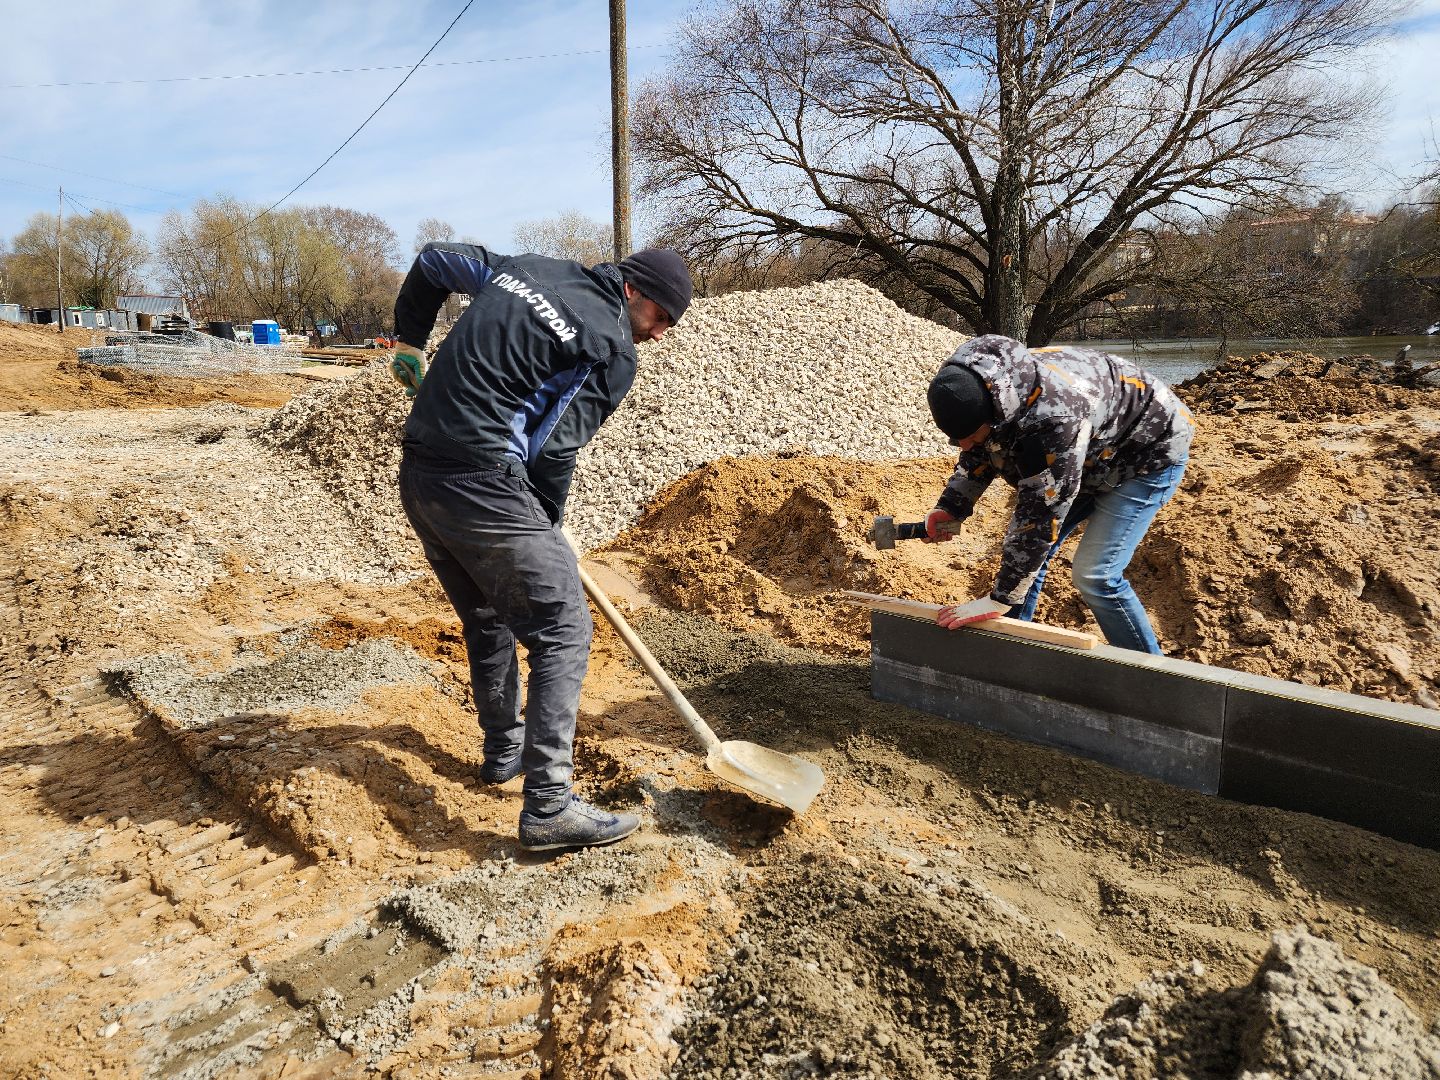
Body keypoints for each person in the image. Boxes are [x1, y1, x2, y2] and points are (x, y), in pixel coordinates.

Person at [389, 243, 692, 850]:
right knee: (563, 625)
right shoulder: (610, 348)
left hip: (421, 475)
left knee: (488, 616)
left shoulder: (525, 268)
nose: (659, 335)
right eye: (661, 318)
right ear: (634, 290)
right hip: (482, 480)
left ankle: (505, 751)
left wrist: (408, 341)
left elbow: (430, 263)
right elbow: (552, 448)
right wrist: (545, 523)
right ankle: (549, 805)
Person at [923, 335, 1194, 654]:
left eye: (969, 436)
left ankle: (1151, 675)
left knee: (1095, 575)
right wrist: (953, 506)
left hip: (1149, 450)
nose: (964, 446)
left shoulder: (1054, 419)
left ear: (995, 416)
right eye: (957, 440)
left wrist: (999, 599)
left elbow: (1040, 518)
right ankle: (1012, 651)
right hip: (1093, 447)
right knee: (1027, 562)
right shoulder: (984, 385)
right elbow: (983, 447)